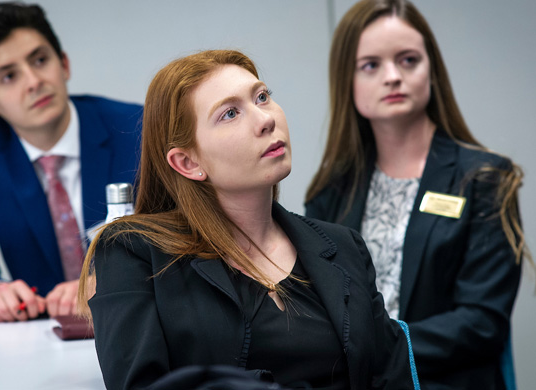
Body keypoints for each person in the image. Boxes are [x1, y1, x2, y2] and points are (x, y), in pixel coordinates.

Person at [78, 50, 418, 390]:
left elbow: (391, 373)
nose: (265, 119)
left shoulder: (343, 245)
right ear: (187, 162)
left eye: (262, 97)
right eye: (230, 113)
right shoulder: (131, 252)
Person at [305, 1, 527, 389]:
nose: (393, 76)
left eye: (408, 60)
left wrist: (382, 345)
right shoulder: (331, 191)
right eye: (371, 65)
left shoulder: (485, 179)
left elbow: (482, 322)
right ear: (348, 80)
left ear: (432, 71)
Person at [0, 2, 142, 322]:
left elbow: (183, 233)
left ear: (64, 65)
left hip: (140, 318)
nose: (33, 81)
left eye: (40, 60)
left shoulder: (136, 128)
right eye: (9, 76)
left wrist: (113, 281)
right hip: (43, 335)